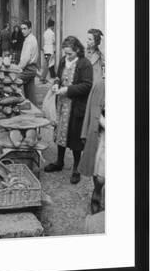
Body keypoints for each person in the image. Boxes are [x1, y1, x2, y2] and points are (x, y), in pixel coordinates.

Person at [44, 36, 93, 184]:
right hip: (62, 104)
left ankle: (76, 168)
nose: (67, 56)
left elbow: (87, 85)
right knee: (60, 132)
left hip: (76, 106)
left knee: (75, 137)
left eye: (70, 53)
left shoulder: (85, 64)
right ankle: (59, 162)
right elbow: (58, 76)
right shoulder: (63, 61)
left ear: (78, 50)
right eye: (66, 53)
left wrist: (68, 89)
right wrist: (56, 84)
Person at [78, 76, 105, 214]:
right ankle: (97, 193)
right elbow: (90, 109)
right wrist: (85, 132)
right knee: (99, 171)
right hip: (102, 134)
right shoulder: (100, 85)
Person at [17, 20, 39, 105]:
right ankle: (34, 109)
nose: (22, 31)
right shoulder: (31, 38)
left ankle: (15, 103)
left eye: (25, 29)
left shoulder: (29, 40)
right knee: (30, 93)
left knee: (13, 82)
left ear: (30, 29)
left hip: (28, 68)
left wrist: (18, 69)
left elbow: (25, 59)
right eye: (21, 29)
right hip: (31, 68)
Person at [40, 18, 56, 83]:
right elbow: (53, 41)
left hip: (46, 50)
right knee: (48, 64)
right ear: (52, 26)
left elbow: (44, 41)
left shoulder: (45, 32)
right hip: (50, 50)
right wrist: (54, 50)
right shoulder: (52, 33)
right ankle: (43, 78)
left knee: (49, 63)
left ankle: (52, 76)